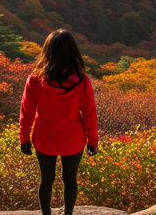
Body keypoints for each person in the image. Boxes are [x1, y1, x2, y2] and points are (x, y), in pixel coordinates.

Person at [19, 30, 99, 215]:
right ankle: (68, 214)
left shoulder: (35, 79)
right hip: (73, 139)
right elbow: (89, 115)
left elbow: (27, 112)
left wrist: (24, 138)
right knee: (70, 178)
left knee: (46, 179)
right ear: (73, 51)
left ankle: (46, 214)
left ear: (48, 51)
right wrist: (92, 141)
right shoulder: (81, 81)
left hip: (44, 138)